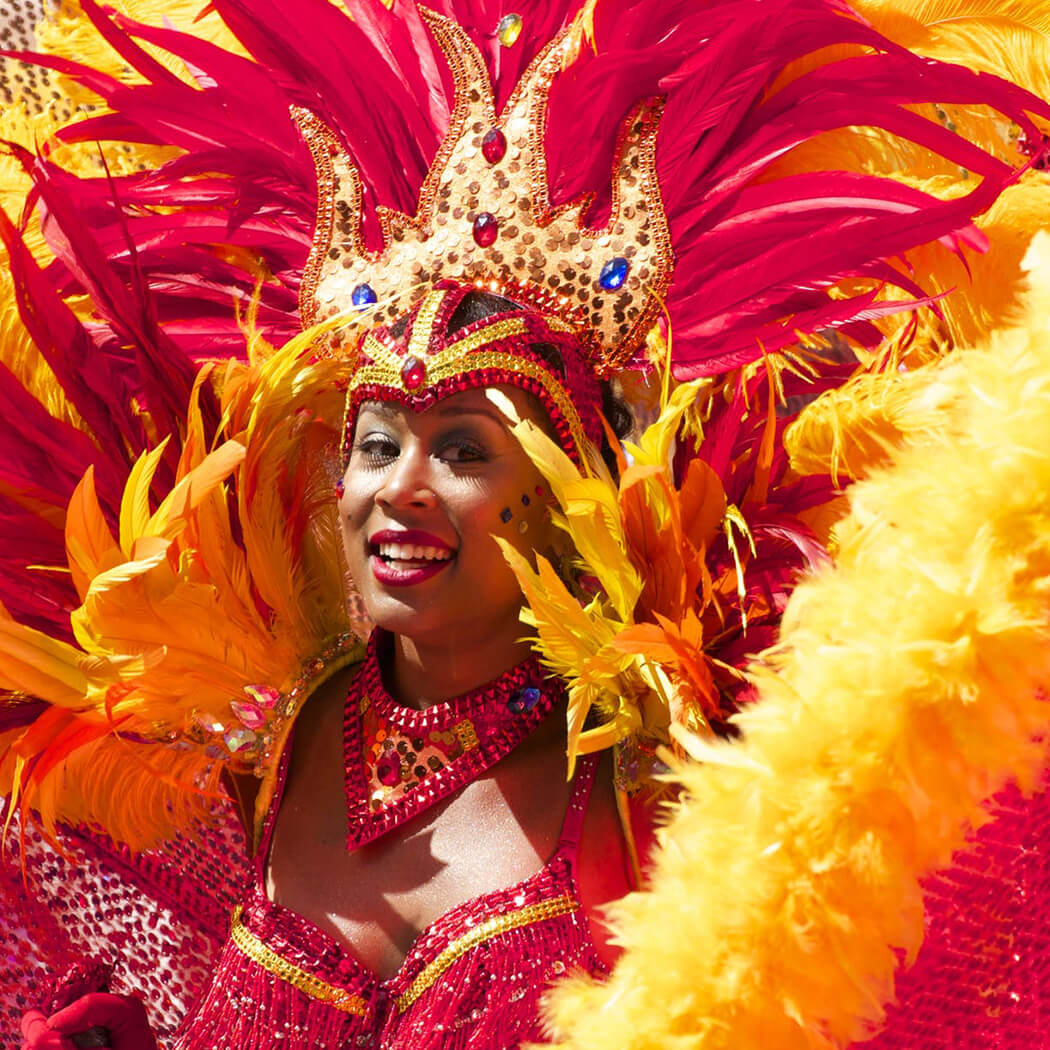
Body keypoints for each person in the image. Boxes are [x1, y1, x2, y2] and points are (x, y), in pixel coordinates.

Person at [0, 1, 1048, 1048]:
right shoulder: (272, 726)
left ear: (562, 496)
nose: (400, 488)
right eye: (377, 445)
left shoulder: (669, 769)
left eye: (461, 450)